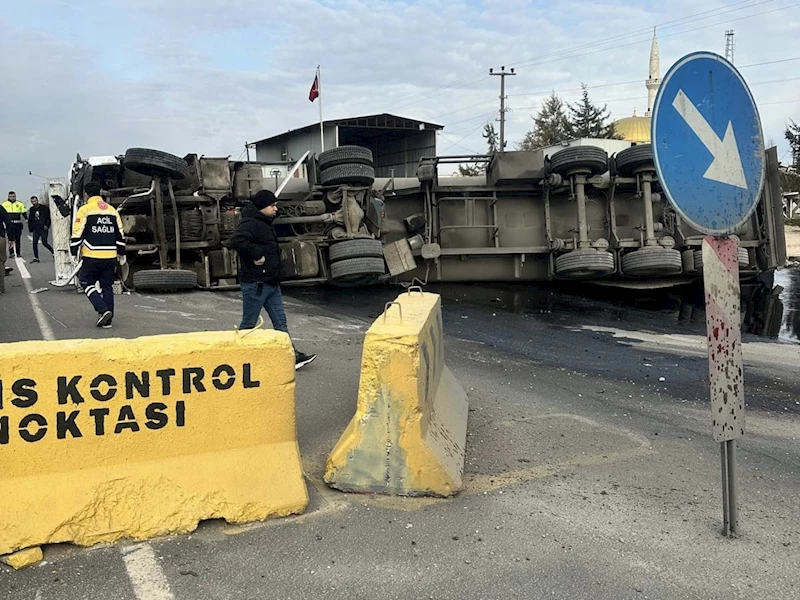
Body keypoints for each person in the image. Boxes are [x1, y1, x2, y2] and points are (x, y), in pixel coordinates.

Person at [226, 189, 316, 370]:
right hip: (257, 283)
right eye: (272, 205)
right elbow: (235, 241)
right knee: (249, 323)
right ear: (261, 207)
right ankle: (238, 359)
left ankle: (291, 356)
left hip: (271, 282)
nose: (276, 209)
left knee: (280, 322)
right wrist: (256, 254)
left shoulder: (264, 222)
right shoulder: (251, 223)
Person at [70, 181, 126, 328]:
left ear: (86, 194)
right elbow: (120, 235)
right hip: (110, 256)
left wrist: (73, 252)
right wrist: (121, 254)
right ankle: (108, 319)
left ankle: (102, 309)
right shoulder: (112, 210)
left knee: (85, 281)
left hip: (92, 254)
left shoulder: (85, 210)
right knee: (107, 286)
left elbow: (77, 234)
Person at [28, 196, 53, 262]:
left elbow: (48, 217)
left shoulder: (44, 208)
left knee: (44, 242)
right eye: (32, 201)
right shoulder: (31, 209)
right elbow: (30, 219)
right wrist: (31, 228)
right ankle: (36, 257)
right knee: (34, 243)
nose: (34, 202)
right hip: (36, 228)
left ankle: (53, 252)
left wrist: (47, 225)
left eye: (35, 201)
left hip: (43, 228)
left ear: (37, 200)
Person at [2, 191, 27, 258]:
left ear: (15, 196)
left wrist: (27, 219)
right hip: (9, 224)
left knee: (18, 239)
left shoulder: (19, 203)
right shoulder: (4, 204)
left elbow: (24, 212)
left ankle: (18, 253)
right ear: (8, 197)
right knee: (10, 239)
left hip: (17, 224)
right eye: (11, 196)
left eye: (14, 196)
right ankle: (11, 253)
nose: (12, 198)